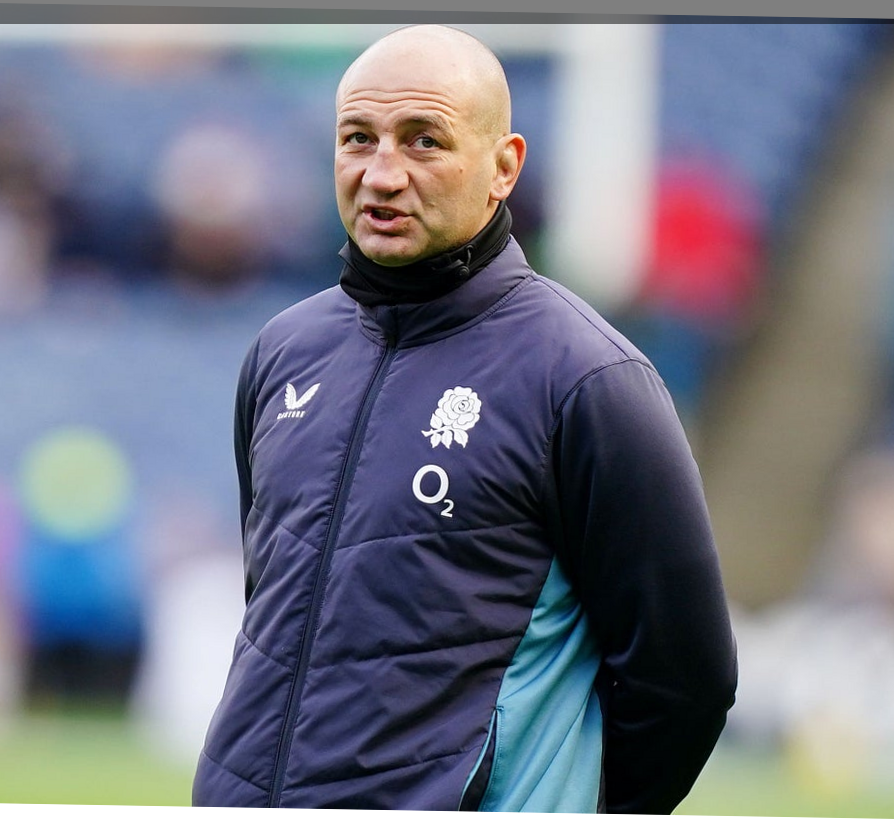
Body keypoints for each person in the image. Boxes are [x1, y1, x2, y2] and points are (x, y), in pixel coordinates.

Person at [192, 24, 737, 813]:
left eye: (424, 141)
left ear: (503, 167)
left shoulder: (586, 378)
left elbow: (686, 680)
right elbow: (275, 608)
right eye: (358, 138)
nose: (382, 174)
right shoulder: (284, 352)